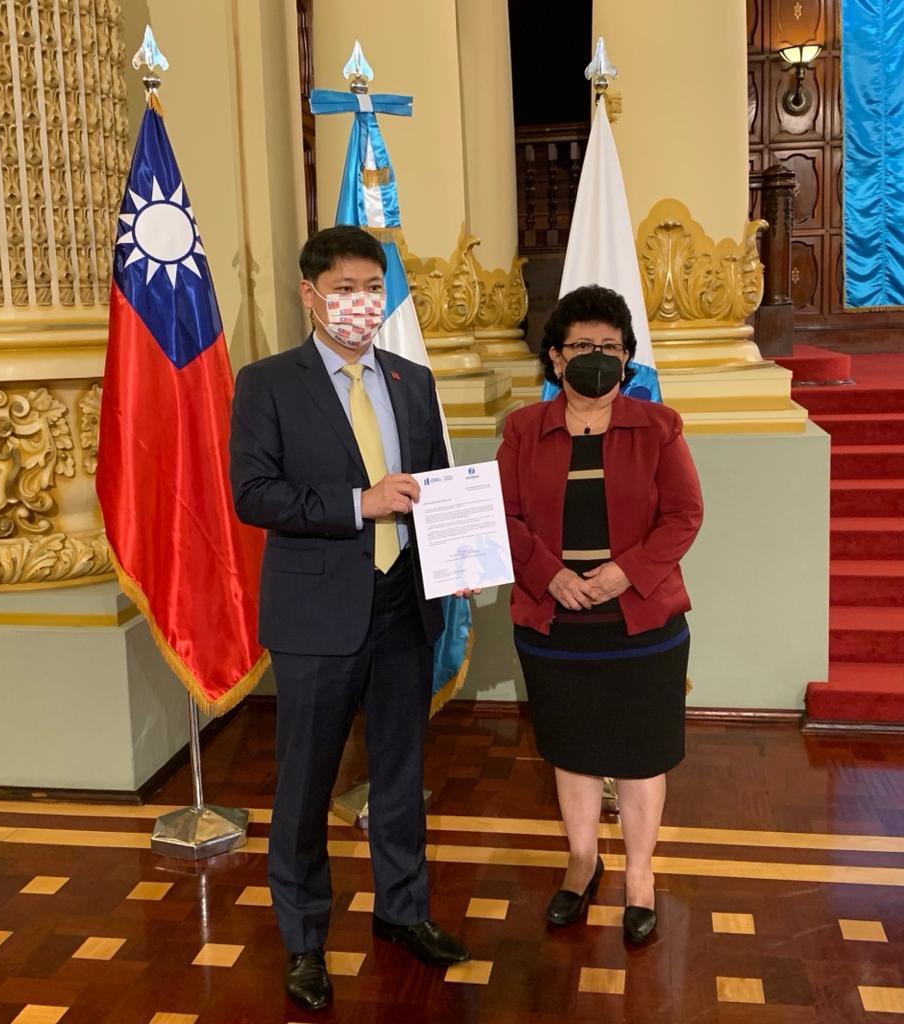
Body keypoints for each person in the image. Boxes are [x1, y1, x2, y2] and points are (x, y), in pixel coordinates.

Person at [229, 226, 469, 1011]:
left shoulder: (411, 379)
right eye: (344, 289)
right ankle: (304, 940)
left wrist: (458, 556)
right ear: (311, 295)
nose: (361, 303)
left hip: (404, 605)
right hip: (316, 616)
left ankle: (403, 911)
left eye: (372, 288)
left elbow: (434, 483)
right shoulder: (267, 383)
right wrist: (357, 504)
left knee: (399, 775)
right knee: (305, 787)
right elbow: (254, 494)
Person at [496, 285, 703, 945]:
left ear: (627, 358)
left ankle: (640, 875)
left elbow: (684, 516)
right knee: (574, 751)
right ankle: (582, 861)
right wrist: (550, 575)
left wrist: (624, 572)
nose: (596, 357)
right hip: (554, 622)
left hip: (640, 622)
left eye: (610, 347)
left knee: (642, 755)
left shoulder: (659, 426)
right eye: (582, 345)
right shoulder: (523, 429)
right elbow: (504, 516)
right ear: (556, 358)